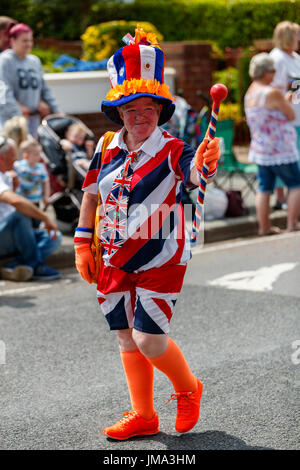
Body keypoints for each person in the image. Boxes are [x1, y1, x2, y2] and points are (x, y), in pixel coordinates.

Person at [74, 26, 221, 440]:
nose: (141, 118)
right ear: (119, 113)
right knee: (125, 336)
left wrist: (209, 160)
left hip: (162, 257)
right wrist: (82, 243)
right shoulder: (105, 147)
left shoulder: (175, 150)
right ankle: (143, 414)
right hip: (114, 256)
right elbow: (90, 197)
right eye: (131, 110)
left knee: (149, 339)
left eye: (149, 110)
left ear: (160, 111)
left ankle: (189, 389)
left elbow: (196, 174)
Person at [244, 53, 300, 235]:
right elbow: (290, 115)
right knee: (295, 184)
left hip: (261, 148)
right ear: (266, 72)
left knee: (264, 187)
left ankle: (264, 227)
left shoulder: (250, 92)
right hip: (280, 148)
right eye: (273, 70)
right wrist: (288, 100)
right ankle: (292, 224)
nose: (275, 74)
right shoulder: (272, 92)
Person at [0, 136, 62, 281]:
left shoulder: (8, 176)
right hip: (3, 237)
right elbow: (16, 202)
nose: (16, 159)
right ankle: (36, 265)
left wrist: (13, 187)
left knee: (53, 236)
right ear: (1, 158)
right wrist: (45, 217)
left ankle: (13, 266)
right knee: (21, 213)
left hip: (13, 233)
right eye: (13, 155)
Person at [0, 23, 60, 138]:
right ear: (12, 40)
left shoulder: (34, 61)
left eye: (30, 41)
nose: (28, 44)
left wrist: (57, 113)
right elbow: (3, 91)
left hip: (33, 120)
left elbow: (44, 89)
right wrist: (18, 112)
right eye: (24, 41)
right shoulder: (4, 60)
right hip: (11, 123)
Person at [270, 21, 300, 209]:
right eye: (297, 34)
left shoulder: (296, 57)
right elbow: (272, 89)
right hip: (283, 121)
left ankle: (293, 199)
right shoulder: (276, 59)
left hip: (297, 118)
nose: (299, 38)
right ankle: (280, 199)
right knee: (284, 159)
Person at [14, 139, 50, 227]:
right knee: (23, 221)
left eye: (39, 153)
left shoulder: (41, 167)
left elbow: (46, 182)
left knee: (36, 221)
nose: (39, 156)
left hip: (35, 200)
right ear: (26, 155)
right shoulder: (18, 166)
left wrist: (46, 196)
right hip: (22, 200)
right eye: (36, 154)